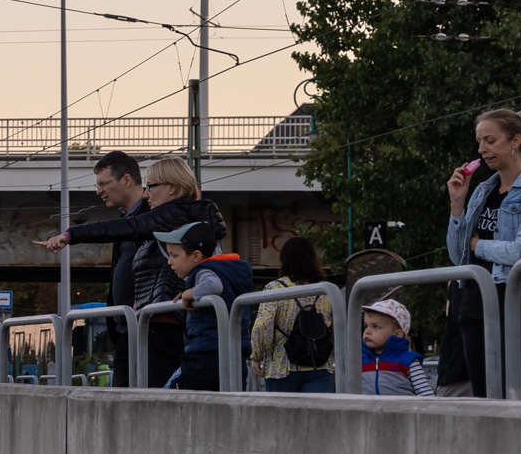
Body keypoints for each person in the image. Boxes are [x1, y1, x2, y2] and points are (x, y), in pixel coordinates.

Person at [40, 154, 217, 388]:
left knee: (151, 396)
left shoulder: (173, 214)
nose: (146, 193)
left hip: (161, 322)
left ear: (172, 188)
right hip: (146, 321)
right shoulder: (175, 214)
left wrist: (71, 235)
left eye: (151, 186)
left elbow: (129, 227)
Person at [446, 107, 521, 400]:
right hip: (475, 305)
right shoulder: (481, 190)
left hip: (517, 304)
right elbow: (458, 259)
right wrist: (457, 205)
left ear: (515, 140)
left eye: (490, 141)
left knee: (519, 399)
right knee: (485, 401)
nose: (482, 149)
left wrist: (478, 245)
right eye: (480, 142)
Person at [152, 220, 253, 390]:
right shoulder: (226, 273)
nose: (170, 261)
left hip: (205, 356)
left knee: (166, 396)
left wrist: (191, 293)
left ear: (196, 256)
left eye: (174, 255)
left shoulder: (205, 271)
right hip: (234, 357)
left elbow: (213, 285)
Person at [248, 235, 336, 393]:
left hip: (282, 367)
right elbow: (336, 329)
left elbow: (263, 327)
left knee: (281, 417)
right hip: (320, 364)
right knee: (315, 417)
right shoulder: (327, 291)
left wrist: (257, 356)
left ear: (284, 260)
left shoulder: (275, 289)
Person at [359, 299, 434, 396]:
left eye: (375, 327)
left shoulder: (408, 361)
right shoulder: (361, 361)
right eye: (366, 326)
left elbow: (426, 395)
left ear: (397, 334)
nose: (367, 331)